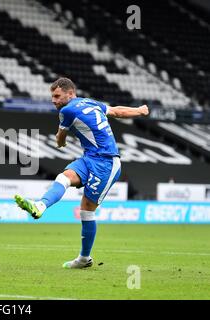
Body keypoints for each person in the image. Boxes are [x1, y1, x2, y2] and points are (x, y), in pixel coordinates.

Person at [14, 77, 149, 269]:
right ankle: (40, 206)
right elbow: (117, 111)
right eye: (52, 96)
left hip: (107, 162)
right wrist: (140, 110)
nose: (54, 100)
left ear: (70, 94)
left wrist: (60, 142)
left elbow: (60, 139)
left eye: (57, 96)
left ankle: (84, 258)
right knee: (64, 177)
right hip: (90, 158)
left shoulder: (66, 111)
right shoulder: (91, 103)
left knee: (86, 210)